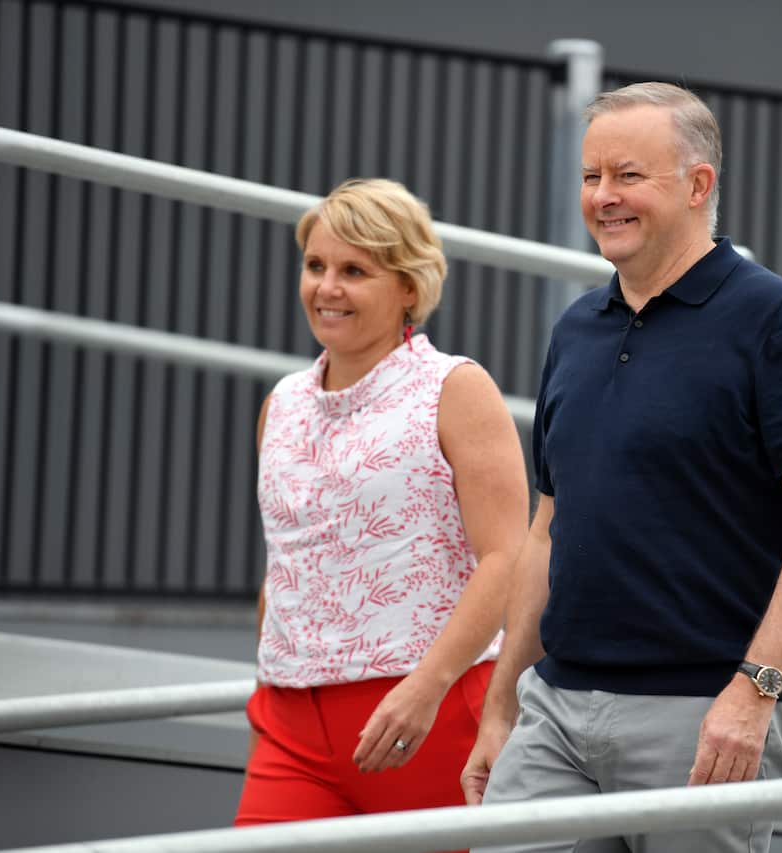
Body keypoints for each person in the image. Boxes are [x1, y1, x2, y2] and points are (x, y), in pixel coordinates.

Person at [459, 82, 782, 853]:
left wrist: (755, 692)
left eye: (628, 175)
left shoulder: (778, 322)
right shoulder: (575, 327)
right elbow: (550, 528)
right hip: (556, 710)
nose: (603, 197)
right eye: (590, 177)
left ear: (699, 184)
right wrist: (504, 701)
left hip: (703, 716)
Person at [235, 178, 529, 830]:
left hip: (429, 714)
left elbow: (508, 559)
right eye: (315, 266)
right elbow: (284, 568)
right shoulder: (280, 404)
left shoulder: (456, 388)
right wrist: (265, 694)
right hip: (291, 725)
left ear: (408, 286)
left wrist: (427, 687)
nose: (326, 287)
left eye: (354, 270)